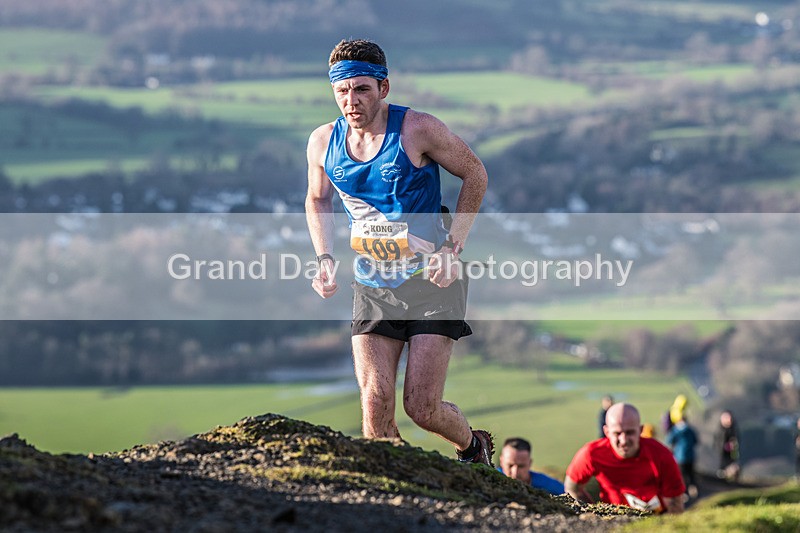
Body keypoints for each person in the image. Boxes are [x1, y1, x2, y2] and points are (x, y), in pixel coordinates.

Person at [305, 39, 491, 465]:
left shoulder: (417, 129)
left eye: (362, 89)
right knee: (374, 408)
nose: (351, 101)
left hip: (432, 281)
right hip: (374, 283)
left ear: (383, 88)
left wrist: (453, 246)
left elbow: (475, 173)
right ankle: (400, 502)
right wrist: (324, 258)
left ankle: (473, 447)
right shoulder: (323, 143)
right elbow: (317, 199)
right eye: (342, 91)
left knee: (422, 407)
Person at [565, 402, 686, 514]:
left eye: (630, 433)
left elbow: (675, 507)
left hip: (658, 521)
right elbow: (572, 488)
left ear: (640, 430)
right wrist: (594, 514)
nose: (623, 441)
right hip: (613, 522)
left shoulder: (661, 455)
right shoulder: (591, 454)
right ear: (606, 432)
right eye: (617, 433)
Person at [498, 437, 565, 495]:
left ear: (530, 463)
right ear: (501, 461)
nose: (515, 472)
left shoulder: (549, 485)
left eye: (521, 466)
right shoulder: (489, 479)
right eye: (510, 465)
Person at [666, 415, 699, 499]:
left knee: (682, 476)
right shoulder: (690, 430)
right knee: (690, 474)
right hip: (690, 456)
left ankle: (684, 492)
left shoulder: (675, 431)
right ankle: (692, 489)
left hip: (680, 457)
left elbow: (669, 440)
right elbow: (696, 441)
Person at [714, 410, 739, 481]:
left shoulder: (733, 431)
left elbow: (735, 447)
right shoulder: (719, 431)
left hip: (731, 458)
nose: (729, 420)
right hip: (722, 459)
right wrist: (725, 447)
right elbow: (717, 445)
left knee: (734, 469)